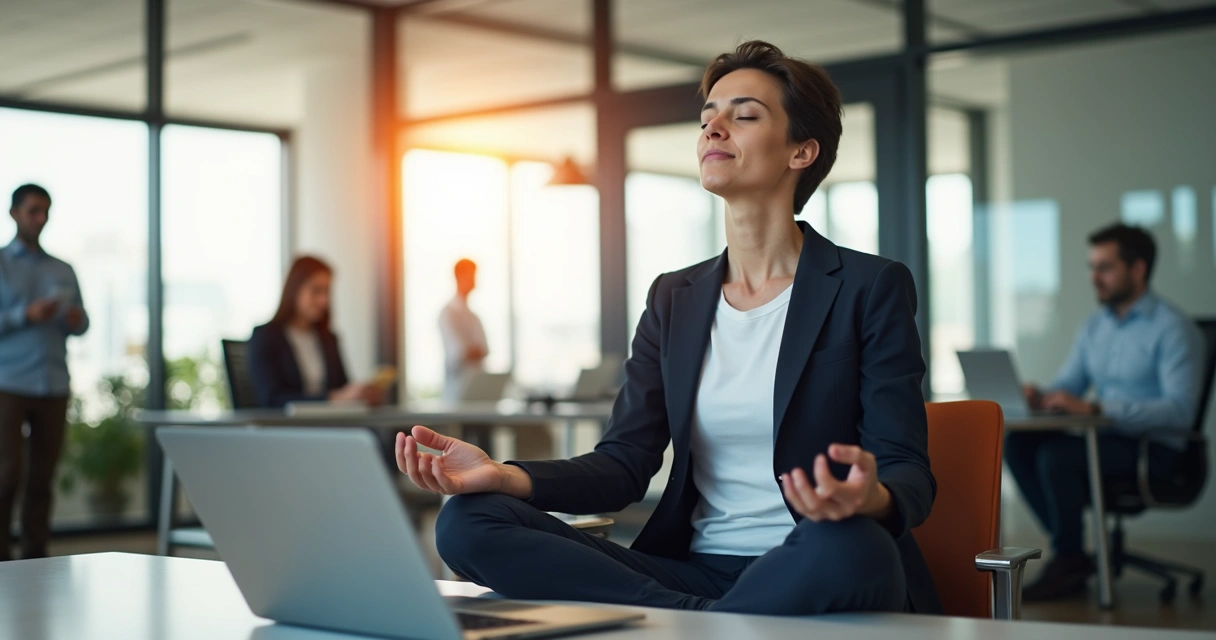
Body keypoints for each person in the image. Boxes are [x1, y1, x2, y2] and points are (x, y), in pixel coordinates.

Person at [395, 41, 939, 616]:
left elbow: (907, 468)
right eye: (708, 117)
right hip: (692, 572)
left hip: (813, 553)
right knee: (468, 518)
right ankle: (705, 621)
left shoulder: (868, 285)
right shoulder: (673, 298)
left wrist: (869, 497)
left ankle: (682, 622)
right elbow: (623, 464)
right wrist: (502, 475)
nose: (714, 128)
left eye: (744, 115)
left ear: (801, 151)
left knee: (855, 546)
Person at [1007, 223, 1203, 602]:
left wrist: (1098, 408)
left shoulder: (1174, 329)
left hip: (1156, 454)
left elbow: (1180, 411)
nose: (1093, 277)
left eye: (1105, 267)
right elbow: (1070, 388)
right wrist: (1041, 396)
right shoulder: (1095, 327)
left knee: (1056, 457)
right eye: (1091, 266)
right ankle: (1074, 553)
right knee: (1019, 445)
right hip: (1105, 443)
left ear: (1138, 269)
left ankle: (1068, 558)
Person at [0, 184, 89, 560]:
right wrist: (24, 315)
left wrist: (74, 318)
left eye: (45, 211)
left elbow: (83, 325)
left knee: (43, 480)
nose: (41, 218)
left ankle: (36, 557)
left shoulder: (63, 268)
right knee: (5, 477)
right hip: (9, 383)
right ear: (15, 213)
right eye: (34, 210)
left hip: (53, 384)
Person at [248, 256, 381, 408]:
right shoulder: (265, 337)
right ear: (295, 288)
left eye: (327, 292)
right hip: (287, 429)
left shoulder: (328, 339)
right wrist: (333, 398)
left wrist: (359, 395)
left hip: (330, 425)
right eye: (316, 290)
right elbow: (272, 399)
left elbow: (342, 388)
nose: (324, 300)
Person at [439, 258, 488, 403]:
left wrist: (472, 352)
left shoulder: (474, 316)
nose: (474, 280)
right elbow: (460, 352)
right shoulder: (448, 313)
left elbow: (483, 350)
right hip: (456, 393)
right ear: (458, 276)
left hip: (477, 393)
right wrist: (471, 352)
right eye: (471, 275)